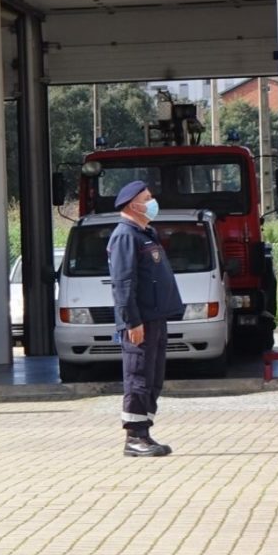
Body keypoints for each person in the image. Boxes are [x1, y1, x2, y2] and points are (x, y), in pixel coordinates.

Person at [109, 180, 182, 458]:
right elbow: (123, 283)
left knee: (152, 377)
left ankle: (145, 431)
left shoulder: (145, 233)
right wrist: (131, 321)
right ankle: (134, 437)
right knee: (138, 376)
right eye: (148, 198)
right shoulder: (125, 236)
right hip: (140, 321)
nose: (152, 202)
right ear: (133, 205)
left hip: (155, 318)